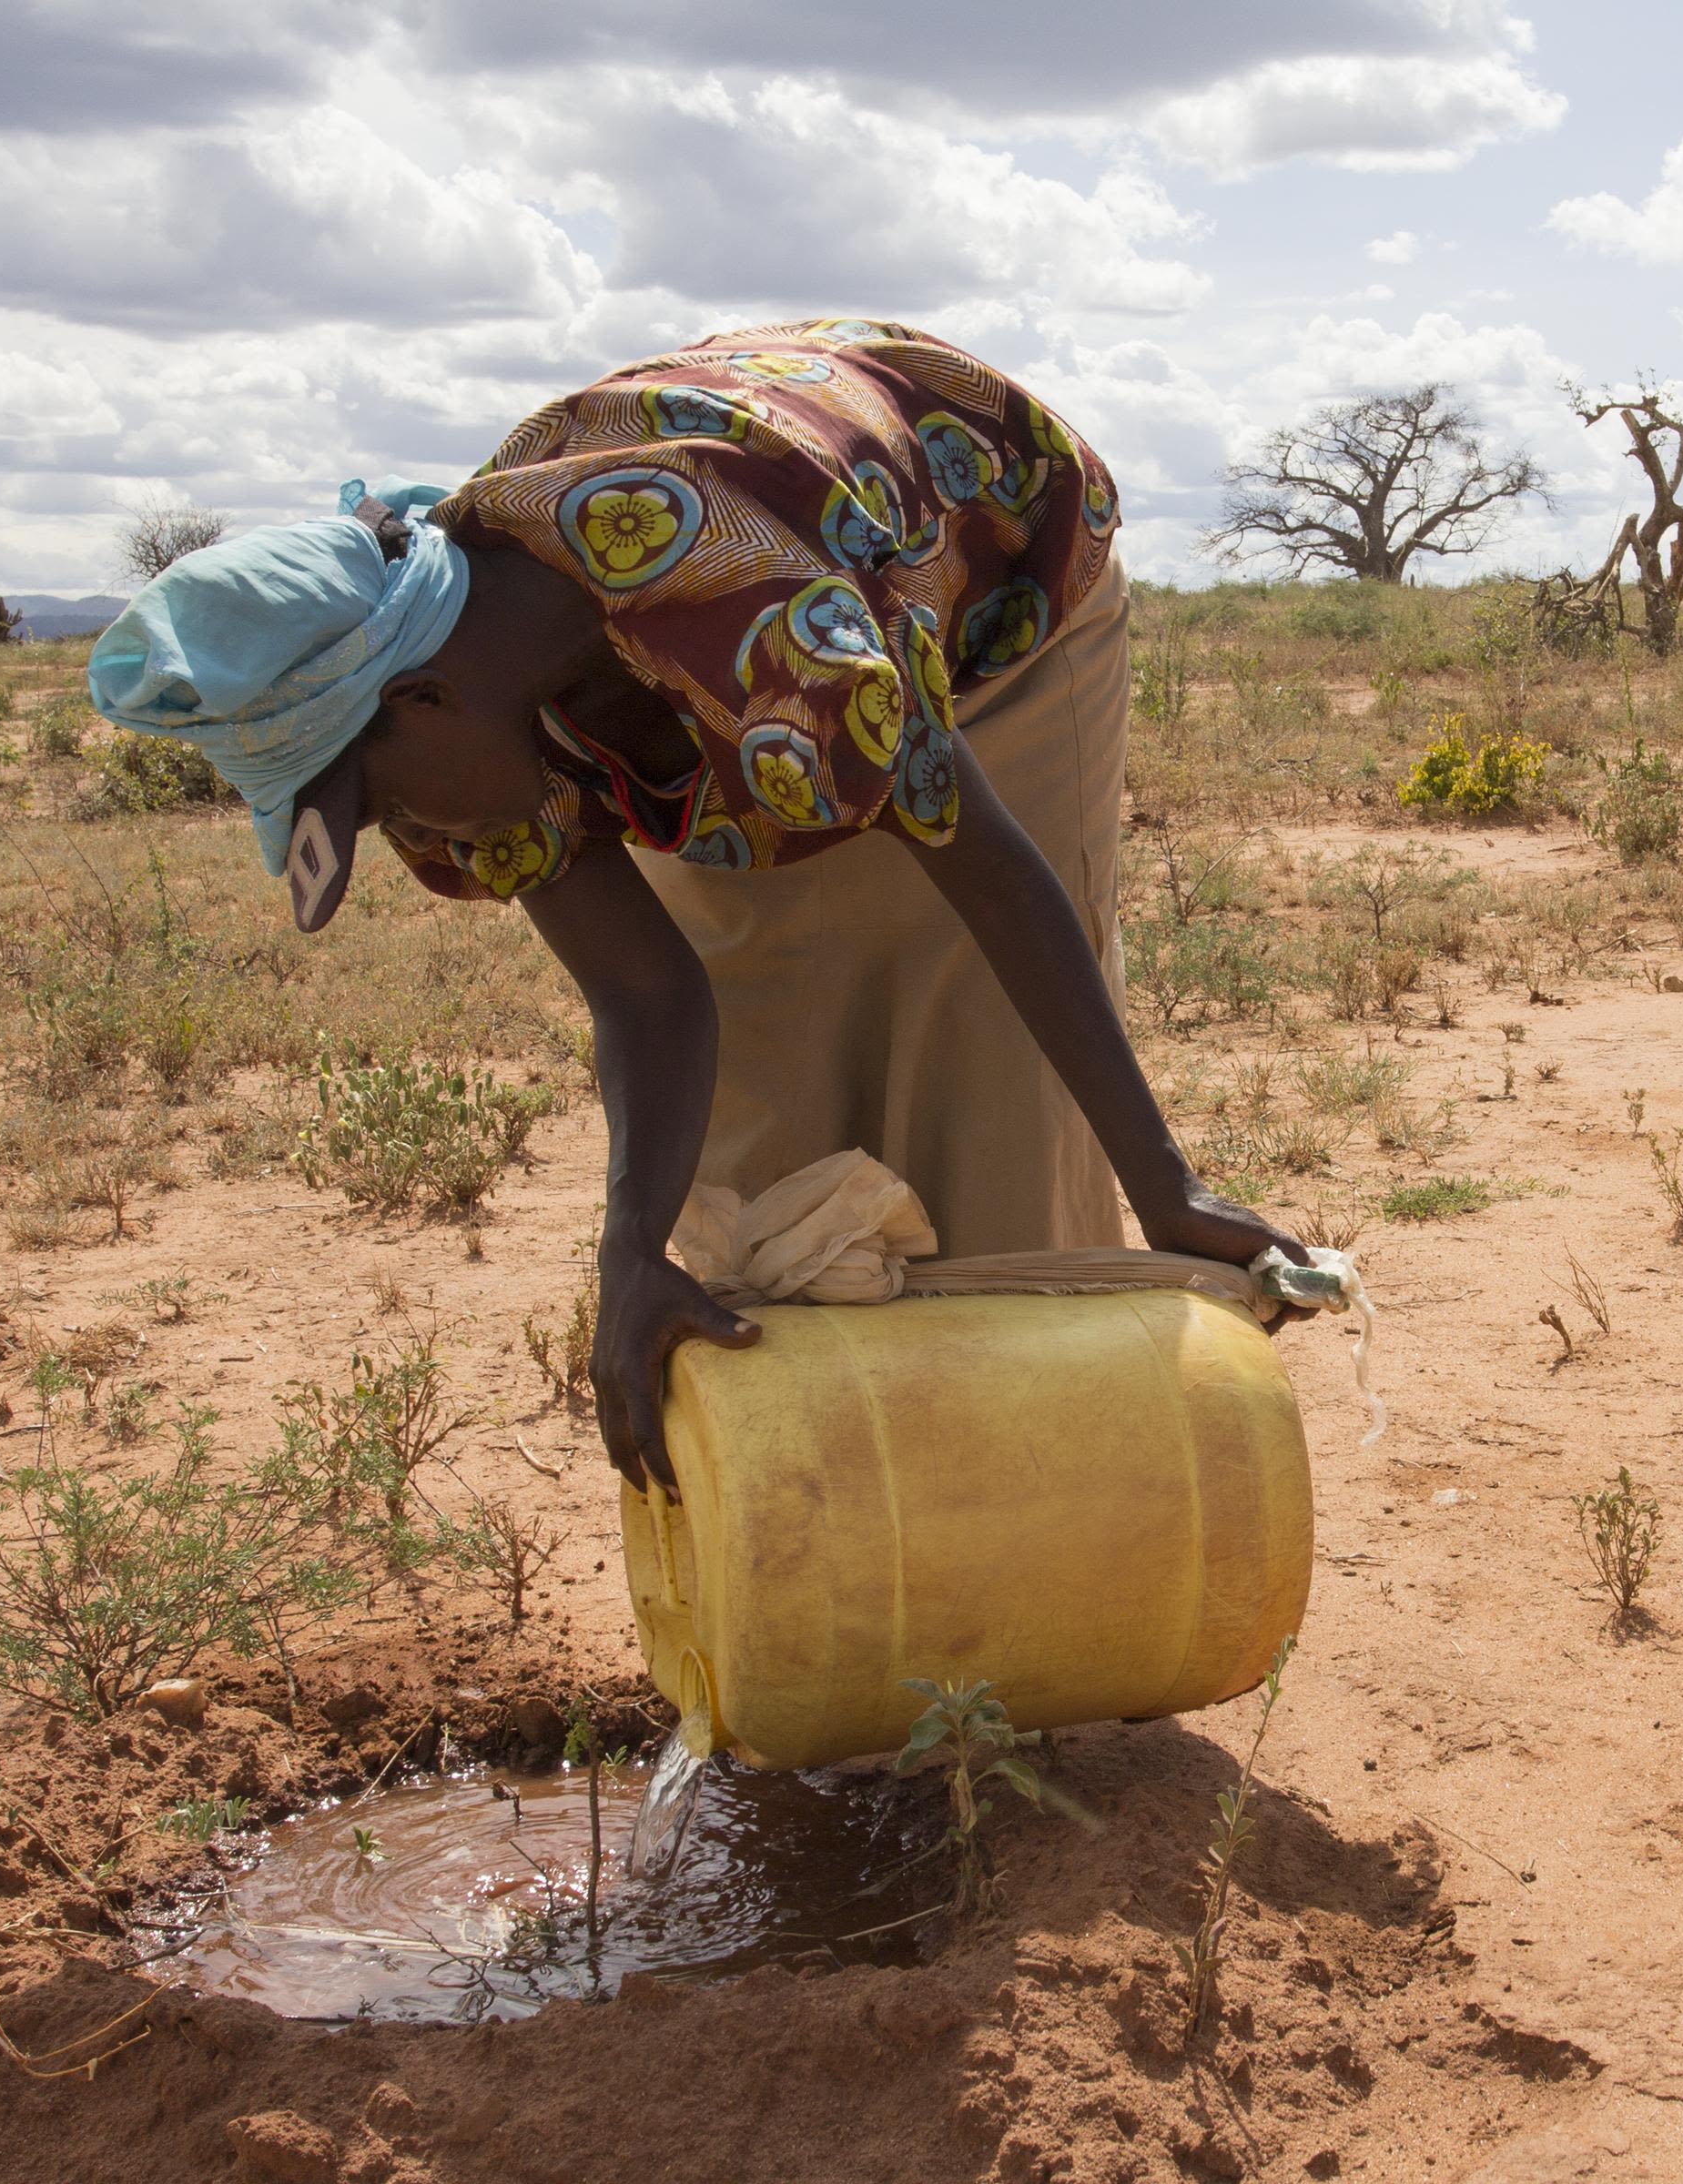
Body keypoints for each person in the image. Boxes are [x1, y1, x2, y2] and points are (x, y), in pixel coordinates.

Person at [86, 318, 1303, 1493]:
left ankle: (1030, 1521)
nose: (408, 839)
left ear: (423, 705)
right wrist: (632, 1257)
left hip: (995, 590)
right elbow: (647, 991)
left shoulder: (759, 617)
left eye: (373, 805)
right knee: (772, 1117)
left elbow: (994, 880)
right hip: (740, 668)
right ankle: (834, 1549)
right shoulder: (474, 703)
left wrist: (1166, 1191)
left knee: (972, 1058)